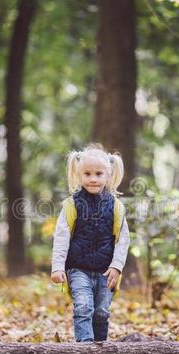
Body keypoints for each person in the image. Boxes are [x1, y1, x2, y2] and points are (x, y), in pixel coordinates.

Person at [51, 144, 130, 342]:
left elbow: (123, 240)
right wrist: (58, 266)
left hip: (106, 271)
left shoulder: (116, 207)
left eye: (98, 174)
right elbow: (62, 236)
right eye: (87, 174)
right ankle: (84, 351)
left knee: (101, 312)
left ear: (108, 175)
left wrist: (117, 266)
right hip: (78, 269)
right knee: (84, 307)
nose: (93, 178)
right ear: (79, 175)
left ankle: (100, 351)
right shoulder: (72, 205)